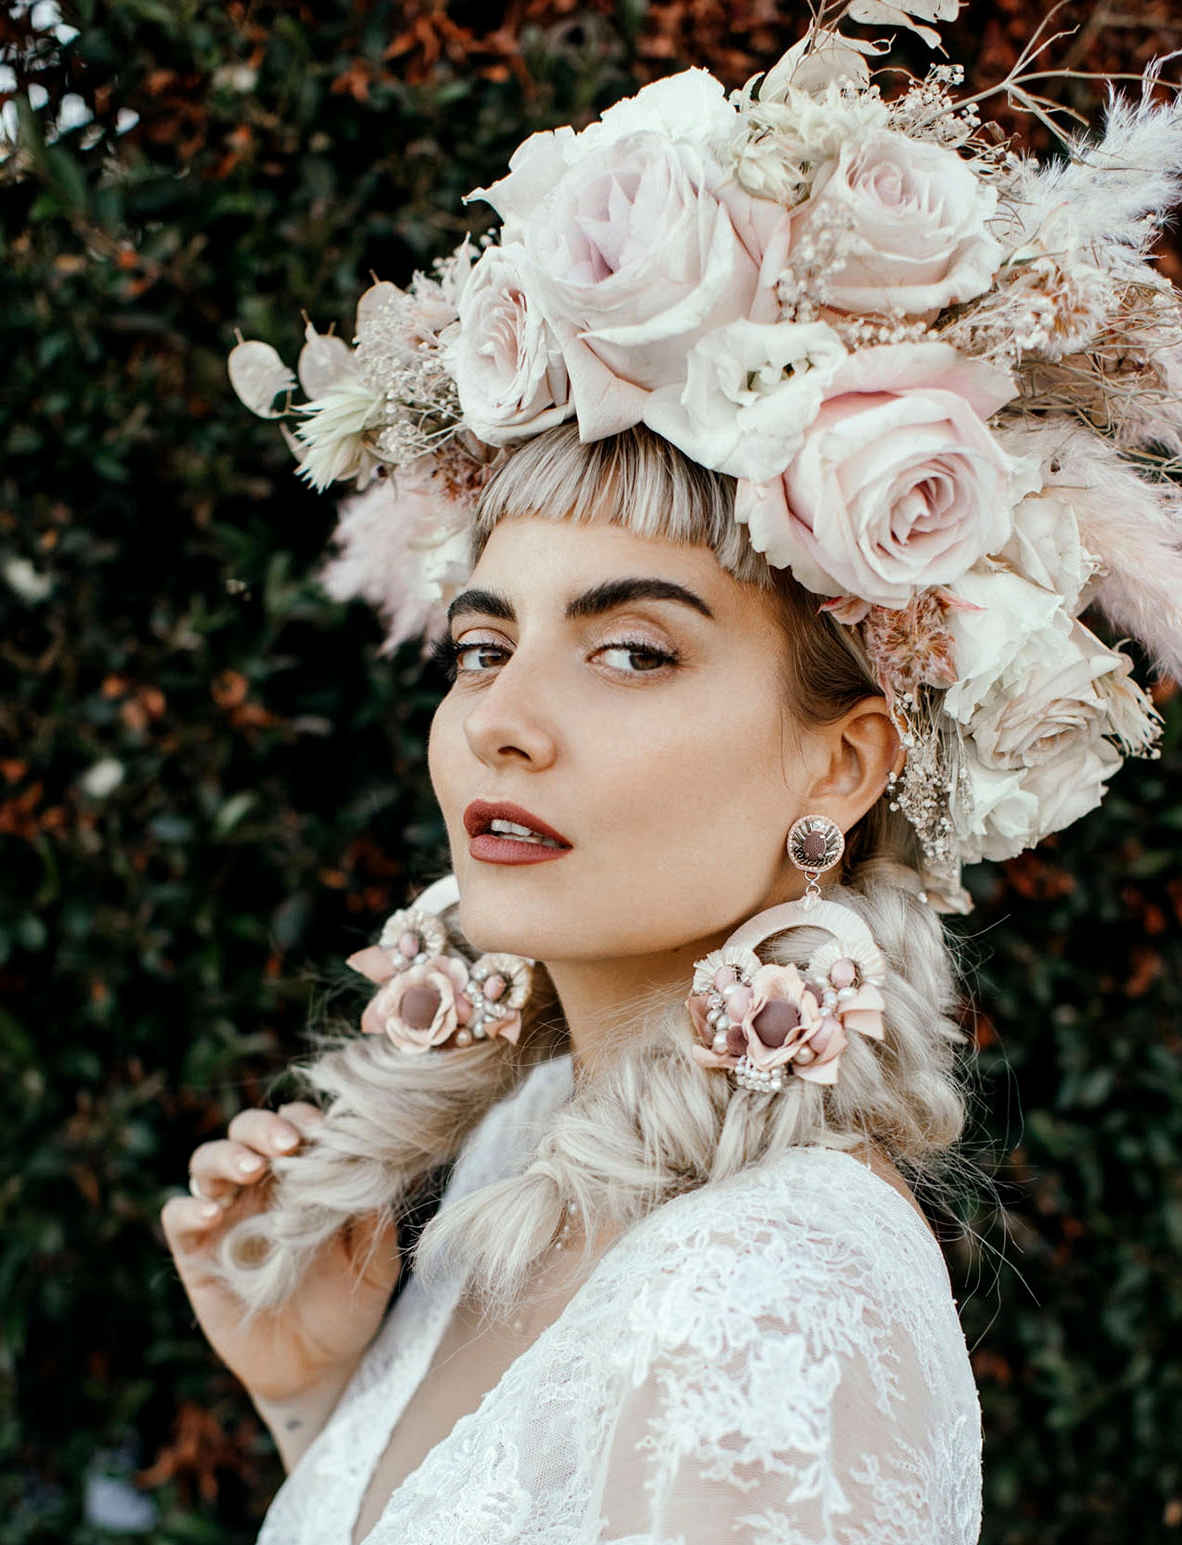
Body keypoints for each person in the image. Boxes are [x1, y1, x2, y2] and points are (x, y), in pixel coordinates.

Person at [162, 6, 1182, 1541]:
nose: (504, 719)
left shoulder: (768, 1291)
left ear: (842, 764)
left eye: (631, 651)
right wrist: (314, 1395)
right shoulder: (525, 1150)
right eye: (482, 647)